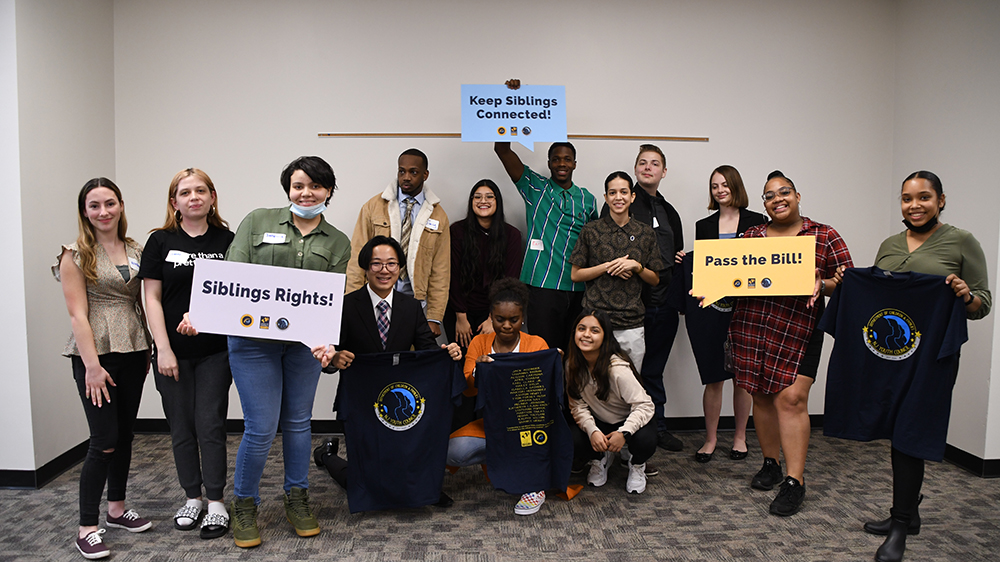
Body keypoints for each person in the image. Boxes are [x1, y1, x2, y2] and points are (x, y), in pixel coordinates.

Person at [834, 171, 991, 562]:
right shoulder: (889, 245)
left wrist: (965, 294)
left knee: (910, 432)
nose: (914, 205)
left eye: (924, 197)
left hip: (931, 358)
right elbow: (880, 298)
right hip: (888, 357)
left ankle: (900, 524)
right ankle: (908, 511)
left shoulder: (962, 241)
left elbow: (982, 304)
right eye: (907, 198)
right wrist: (846, 283)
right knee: (897, 431)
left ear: (941, 200)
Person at [224, 156, 351, 548]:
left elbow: (329, 301)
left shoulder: (338, 242)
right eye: (298, 186)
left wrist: (326, 341)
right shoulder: (257, 221)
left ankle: (297, 498)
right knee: (261, 427)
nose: (306, 193)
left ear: (328, 190)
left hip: (302, 347)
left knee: (298, 423)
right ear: (288, 189)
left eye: (315, 186)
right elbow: (234, 278)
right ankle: (245, 504)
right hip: (252, 344)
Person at [726, 170, 852, 517]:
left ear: (797, 197)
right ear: (764, 204)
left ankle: (795, 481)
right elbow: (731, 275)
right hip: (752, 327)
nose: (777, 199)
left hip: (799, 329)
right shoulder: (751, 236)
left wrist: (823, 283)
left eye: (784, 192)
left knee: (792, 399)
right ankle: (771, 463)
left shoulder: (823, 235)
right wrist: (711, 283)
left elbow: (848, 282)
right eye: (769, 196)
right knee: (761, 396)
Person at [313, 236, 462, 506]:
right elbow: (328, 354)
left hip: (399, 398)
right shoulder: (346, 306)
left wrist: (445, 353)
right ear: (365, 268)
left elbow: (427, 350)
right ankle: (326, 455)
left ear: (400, 268)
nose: (385, 270)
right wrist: (334, 359)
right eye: (377, 264)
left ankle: (423, 489)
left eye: (391, 264)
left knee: (407, 451)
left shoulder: (411, 306)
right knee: (363, 481)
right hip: (360, 401)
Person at [55, 178, 152, 560]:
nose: (103, 211)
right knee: (104, 440)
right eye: (94, 205)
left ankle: (116, 509)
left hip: (134, 348)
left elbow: (146, 299)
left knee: (124, 435)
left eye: (109, 203)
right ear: (85, 211)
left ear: (121, 205)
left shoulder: (135, 249)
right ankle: (86, 528)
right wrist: (92, 367)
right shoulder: (75, 254)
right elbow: (77, 315)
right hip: (96, 355)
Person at [138, 168, 234, 539]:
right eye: (185, 192)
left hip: (215, 352)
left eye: (200, 190)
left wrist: (204, 316)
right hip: (171, 353)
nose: (193, 197)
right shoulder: (160, 241)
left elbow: (235, 294)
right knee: (180, 427)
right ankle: (192, 497)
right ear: (174, 202)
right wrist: (162, 348)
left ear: (212, 197)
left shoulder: (228, 240)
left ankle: (216, 501)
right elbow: (151, 297)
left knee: (210, 425)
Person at [494, 79, 598, 352]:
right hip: (541, 286)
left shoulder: (588, 198)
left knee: (575, 353)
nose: (561, 163)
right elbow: (502, 150)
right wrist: (510, 101)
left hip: (578, 288)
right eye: (556, 159)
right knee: (544, 352)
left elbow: (595, 243)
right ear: (549, 162)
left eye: (567, 159)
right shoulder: (534, 187)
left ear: (574, 163)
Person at [446, 278, 550, 515]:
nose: (507, 325)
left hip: (527, 425)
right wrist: (480, 371)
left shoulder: (536, 344)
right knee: (454, 452)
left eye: (514, 319)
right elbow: (468, 389)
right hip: (492, 423)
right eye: (500, 319)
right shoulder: (479, 343)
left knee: (537, 440)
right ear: (490, 318)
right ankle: (504, 460)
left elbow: (543, 393)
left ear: (522, 318)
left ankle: (534, 483)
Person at [687, 166, 765, 462]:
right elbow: (703, 267)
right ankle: (710, 439)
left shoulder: (757, 221)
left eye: (724, 185)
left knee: (741, 376)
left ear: (736, 186)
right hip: (713, 308)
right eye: (714, 186)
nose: (720, 190)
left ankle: (740, 437)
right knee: (714, 377)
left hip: (746, 307)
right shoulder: (704, 225)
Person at [345, 148, 450, 340]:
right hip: (374, 298)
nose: (406, 177)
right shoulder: (373, 207)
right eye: (402, 171)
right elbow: (357, 258)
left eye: (413, 172)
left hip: (414, 302)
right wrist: (352, 303)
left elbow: (440, 270)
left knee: (408, 355)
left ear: (425, 175)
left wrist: (434, 317)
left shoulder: (438, 215)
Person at [622, 144, 685, 452]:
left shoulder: (670, 211)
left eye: (655, 163)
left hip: (665, 305)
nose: (648, 167)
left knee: (654, 370)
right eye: (643, 163)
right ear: (636, 169)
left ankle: (657, 428)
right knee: (626, 372)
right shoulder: (623, 205)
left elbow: (677, 256)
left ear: (664, 172)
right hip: (631, 306)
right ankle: (626, 431)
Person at [570, 171, 662, 371]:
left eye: (623, 192)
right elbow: (575, 275)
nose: (618, 197)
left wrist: (636, 266)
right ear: (606, 197)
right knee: (593, 382)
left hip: (631, 324)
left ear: (632, 196)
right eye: (612, 193)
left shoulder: (646, 233)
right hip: (594, 322)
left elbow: (655, 279)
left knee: (630, 383)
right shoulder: (591, 231)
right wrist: (608, 266)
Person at [565, 310, 656, 495]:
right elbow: (577, 406)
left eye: (594, 330)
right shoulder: (571, 365)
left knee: (645, 441)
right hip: (600, 422)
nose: (586, 335)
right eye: (581, 329)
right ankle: (600, 457)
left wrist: (624, 433)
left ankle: (637, 464)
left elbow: (645, 405)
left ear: (605, 337)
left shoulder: (617, 369)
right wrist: (593, 431)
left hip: (629, 423)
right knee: (571, 438)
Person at [446, 179, 523, 348]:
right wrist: (461, 317)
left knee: (490, 360)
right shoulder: (457, 231)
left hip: (496, 312)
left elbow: (510, 280)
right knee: (461, 359)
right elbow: (453, 276)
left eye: (489, 196)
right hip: (460, 310)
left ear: (497, 201)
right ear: (471, 201)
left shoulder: (512, 235)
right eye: (477, 197)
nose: (483, 201)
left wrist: (493, 318)